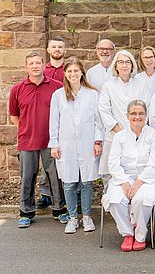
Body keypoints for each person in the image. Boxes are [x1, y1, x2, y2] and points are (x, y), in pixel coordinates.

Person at [10, 51, 67, 228]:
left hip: (52, 140)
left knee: (54, 176)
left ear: (44, 65)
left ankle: (59, 209)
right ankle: (26, 212)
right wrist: (27, 130)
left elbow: (63, 112)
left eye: (38, 63)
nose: (35, 66)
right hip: (27, 141)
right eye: (31, 63)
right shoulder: (17, 89)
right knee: (27, 177)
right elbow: (14, 116)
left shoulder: (57, 86)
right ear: (26, 67)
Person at [102, 100, 155, 252]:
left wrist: (138, 183)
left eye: (141, 113)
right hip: (123, 177)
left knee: (141, 199)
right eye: (133, 113)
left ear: (146, 116)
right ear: (127, 116)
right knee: (115, 200)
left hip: (149, 178)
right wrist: (124, 183)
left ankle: (140, 235)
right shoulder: (120, 136)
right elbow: (113, 163)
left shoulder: (154, 135)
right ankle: (128, 232)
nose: (137, 117)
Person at [49, 57, 102, 234]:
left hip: (88, 144)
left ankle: (86, 216)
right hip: (66, 145)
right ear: (65, 74)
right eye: (70, 71)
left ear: (82, 73)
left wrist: (97, 141)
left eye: (76, 71)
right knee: (69, 183)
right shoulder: (58, 95)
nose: (73, 74)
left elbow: (97, 121)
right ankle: (72, 217)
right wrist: (54, 144)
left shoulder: (92, 94)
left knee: (87, 181)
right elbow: (53, 122)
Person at [98, 50, 145, 177]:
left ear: (132, 65)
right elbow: (104, 109)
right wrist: (120, 131)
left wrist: (135, 132)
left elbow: (146, 107)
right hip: (114, 134)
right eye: (121, 62)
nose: (124, 65)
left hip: (137, 134)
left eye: (127, 62)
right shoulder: (108, 86)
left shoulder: (140, 84)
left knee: (134, 170)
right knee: (112, 172)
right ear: (116, 65)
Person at [35, 36, 66, 210]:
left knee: (60, 160)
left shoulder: (68, 70)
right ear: (48, 50)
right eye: (54, 46)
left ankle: (62, 196)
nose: (57, 49)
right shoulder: (42, 70)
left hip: (63, 122)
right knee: (46, 162)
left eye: (60, 47)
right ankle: (46, 194)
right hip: (43, 122)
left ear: (64, 50)